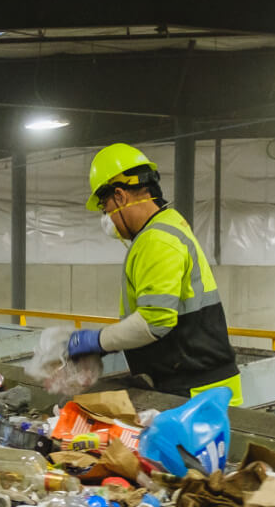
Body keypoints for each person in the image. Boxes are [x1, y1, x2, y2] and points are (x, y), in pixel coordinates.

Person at [64, 144, 244, 405]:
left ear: (120, 196)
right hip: (197, 384)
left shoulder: (156, 239)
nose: (107, 219)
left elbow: (154, 322)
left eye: (105, 207)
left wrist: (99, 341)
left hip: (197, 391)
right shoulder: (167, 225)